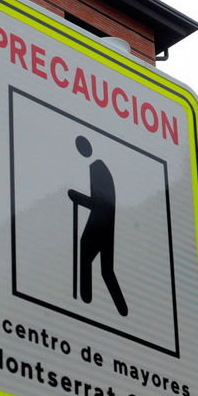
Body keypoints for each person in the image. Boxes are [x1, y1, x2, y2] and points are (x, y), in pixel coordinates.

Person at [66, 135, 128, 316]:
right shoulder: (99, 168)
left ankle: (84, 302)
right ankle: (121, 310)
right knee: (106, 270)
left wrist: (78, 197)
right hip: (107, 223)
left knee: (87, 255)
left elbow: (101, 203)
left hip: (101, 222)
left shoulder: (97, 168)